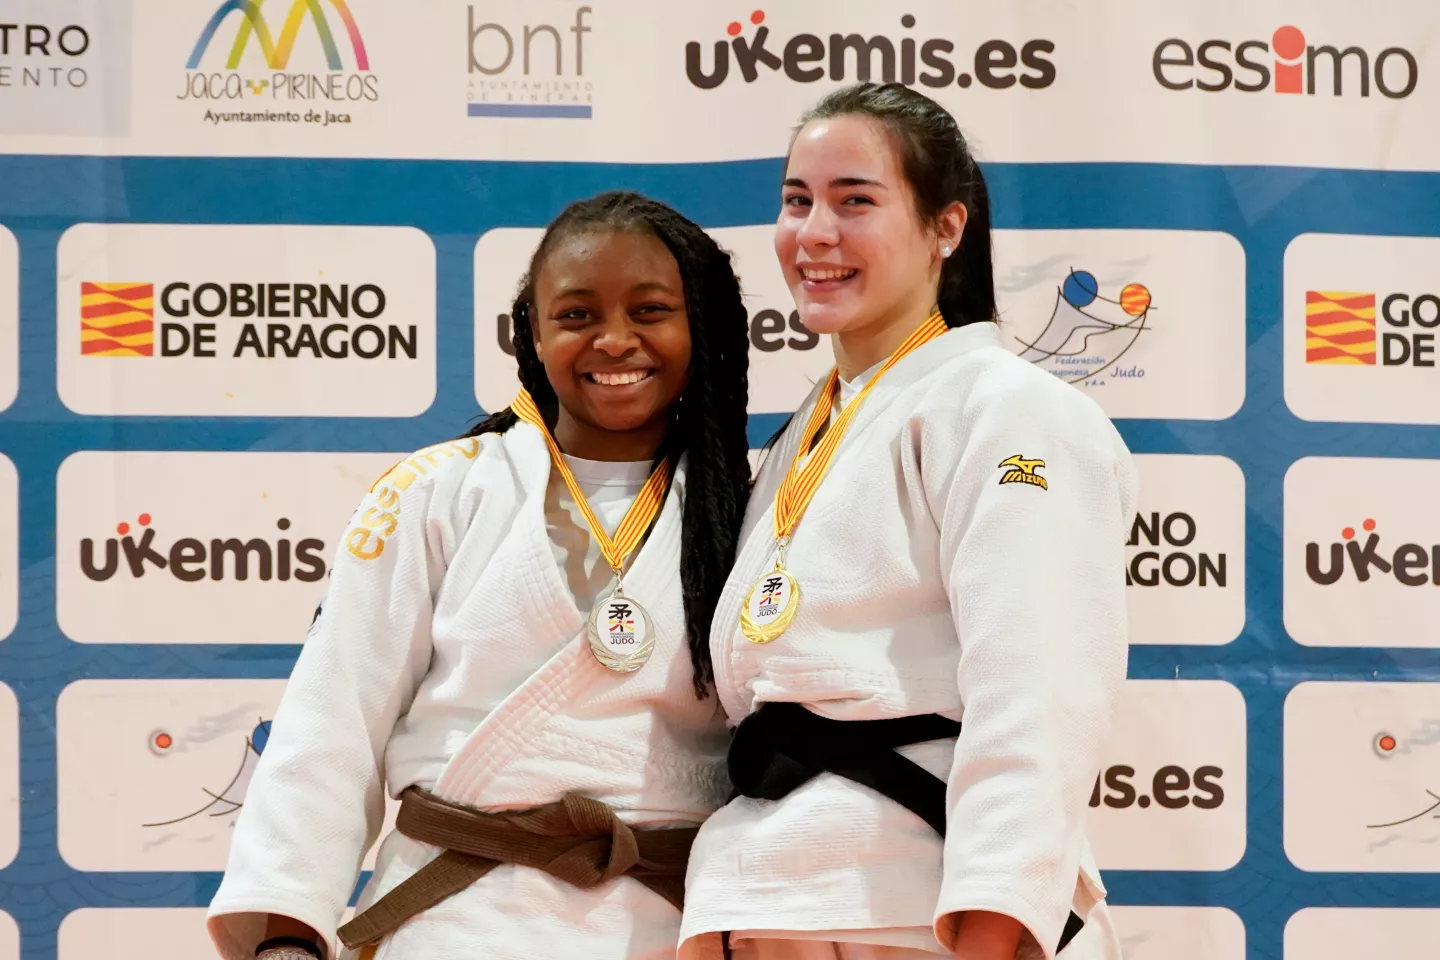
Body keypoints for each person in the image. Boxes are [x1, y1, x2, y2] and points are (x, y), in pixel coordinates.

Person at [207, 191, 753, 960]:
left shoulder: (750, 512)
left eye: (651, 311)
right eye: (576, 315)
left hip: (667, 923)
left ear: (703, 326)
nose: (615, 340)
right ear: (530, 330)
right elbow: (333, 719)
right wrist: (288, 929)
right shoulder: (438, 491)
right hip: (457, 918)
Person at [679, 83, 1136, 960]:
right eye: (796, 201)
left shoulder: (1006, 408)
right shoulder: (803, 435)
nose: (816, 233)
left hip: (915, 907)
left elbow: (1038, 692)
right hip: (775, 893)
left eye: (856, 201)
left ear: (946, 229)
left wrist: (996, 919)